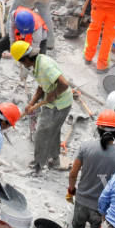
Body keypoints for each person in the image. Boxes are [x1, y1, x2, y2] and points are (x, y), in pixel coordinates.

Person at [11, 40, 73, 172]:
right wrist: (31, 103)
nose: (22, 65)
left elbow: (64, 84)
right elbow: (41, 86)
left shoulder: (45, 66)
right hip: (53, 102)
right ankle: (54, 159)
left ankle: (37, 166)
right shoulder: (35, 64)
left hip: (60, 104)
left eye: (21, 62)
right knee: (53, 130)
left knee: (41, 134)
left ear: (26, 59)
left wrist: (53, 94)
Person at [68, 110, 115, 228]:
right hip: (102, 208)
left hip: (81, 201)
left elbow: (73, 173)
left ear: (98, 129)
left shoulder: (85, 147)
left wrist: (71, 190)